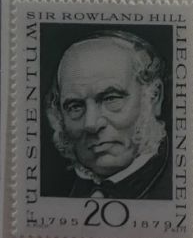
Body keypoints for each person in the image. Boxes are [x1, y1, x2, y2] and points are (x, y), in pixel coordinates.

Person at [45, 30, 173, 199]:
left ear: (153, 97)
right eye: (75, 106)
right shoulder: (56, 189)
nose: (91, 124)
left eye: (110, 98)